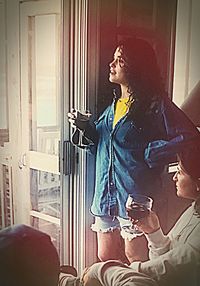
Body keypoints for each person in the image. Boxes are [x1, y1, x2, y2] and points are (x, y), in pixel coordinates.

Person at [68, 37, 200, 263]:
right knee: (105, 255)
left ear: (136, 66)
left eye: (120, 60)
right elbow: (101, 145)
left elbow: (189, 137)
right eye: (114, 59)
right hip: (106, 194)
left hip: (134, 193)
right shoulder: (113, 106)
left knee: (136, 256)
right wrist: (84, 128)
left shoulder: (155, 104)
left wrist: (153, 152)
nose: (112, 64)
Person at [60, 142, 200, 286]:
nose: (174, 177)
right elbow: (166, 260)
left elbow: (163, 272)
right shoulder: (194, 210)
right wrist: (153, 232)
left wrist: (108, 270)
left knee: (90, 275)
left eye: (180, 172)